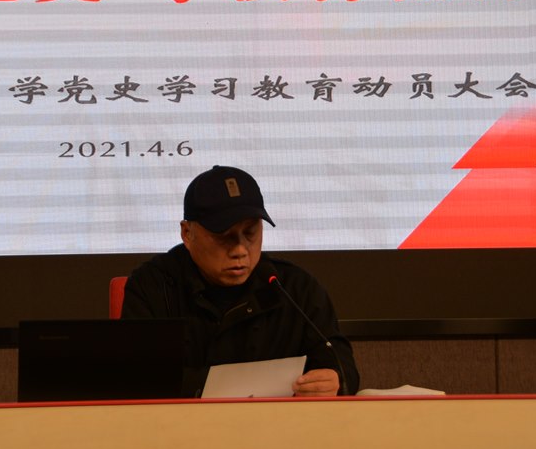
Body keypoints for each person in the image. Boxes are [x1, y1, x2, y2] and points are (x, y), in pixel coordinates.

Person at [122, 165, 359, 397]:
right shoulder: (152, 286)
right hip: (178, 421)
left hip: (277, 421)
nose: (240, 250)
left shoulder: (294, 288)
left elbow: (341, 365)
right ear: (187, 233)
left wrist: (335, 379)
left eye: (250, 233)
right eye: (224, 236)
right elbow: (134, 378)